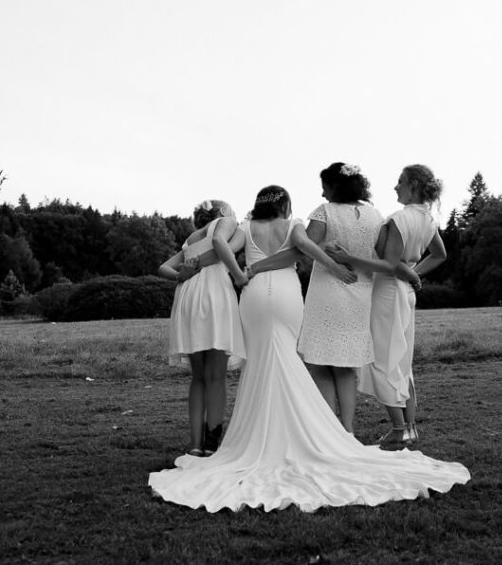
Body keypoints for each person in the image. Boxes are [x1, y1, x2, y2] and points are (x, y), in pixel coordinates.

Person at [148, 185, 469, 512]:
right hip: (286, 294)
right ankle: (310, 433)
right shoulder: (293, 224)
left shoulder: (244, 228)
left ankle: (253, 437)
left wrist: (228, 270)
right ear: (285, 205)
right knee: (288, 358)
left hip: (255, 298)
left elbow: (219, 248)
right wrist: (333, 265)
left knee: (259, 362)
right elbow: (302, 247)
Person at [254, 162, 383, 433]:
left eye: (325, 187)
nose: (323, 194)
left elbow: (301, 250)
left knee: (320, 362)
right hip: (361, 292)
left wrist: (257, 266)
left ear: (335, 186)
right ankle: (346, 429)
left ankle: (329, 432)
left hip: (328, 292)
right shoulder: (375, 215)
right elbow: (379, 258)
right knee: (346, 365)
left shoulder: (324, 212)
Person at [329, 165, 447, 449]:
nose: (395, 187)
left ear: (413, 185)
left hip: (387, 293)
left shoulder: (398, 219)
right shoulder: (428, 219)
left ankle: (398, 428)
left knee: (382, 359)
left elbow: (389, 265)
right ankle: (410, 428)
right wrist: (414, 272)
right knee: (402, 359)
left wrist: (349, 258)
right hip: (406, 293)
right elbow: (439, 255)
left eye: (400, 182)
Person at [157, 199, 245, 457]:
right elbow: (220, 249)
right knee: (216, 376)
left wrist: (182, 274)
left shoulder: (190, 238)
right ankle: (211, 443)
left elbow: (163, 268)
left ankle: (195, 443)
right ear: (222, 212)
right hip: (212, 294)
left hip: (187, 296)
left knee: (198, 376)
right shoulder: (228, 223)